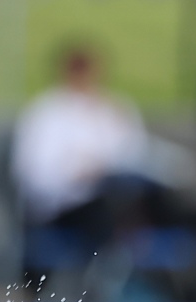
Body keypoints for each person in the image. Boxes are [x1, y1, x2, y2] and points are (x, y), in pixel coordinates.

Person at [12, 45, 151, 266]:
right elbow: (34, 175)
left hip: (118, 198)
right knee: (104, 211)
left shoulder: (114, 109)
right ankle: (107, 274)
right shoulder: (45, 114)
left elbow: (136, 155)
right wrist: (78, 174)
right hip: (66, 207)